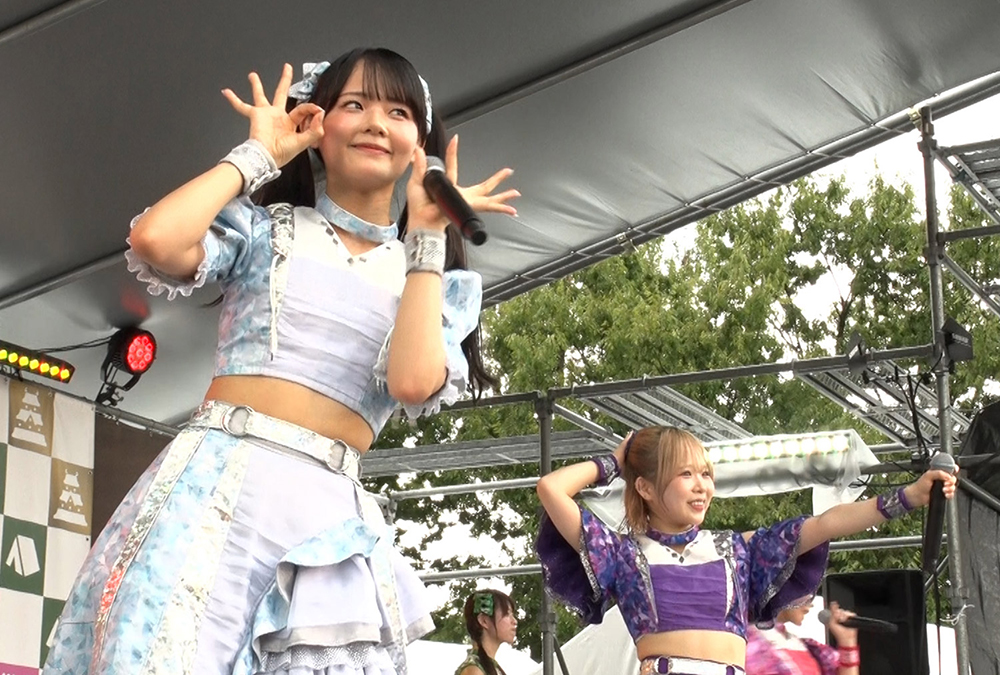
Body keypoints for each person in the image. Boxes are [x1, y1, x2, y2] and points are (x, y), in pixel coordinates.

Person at [43, 47, 518, 675]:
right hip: (214, 491)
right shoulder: (266, 230)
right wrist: (257, 155)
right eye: (355, 104)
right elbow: (155, 239)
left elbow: (411, 382)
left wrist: (427, 238)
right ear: (318, 126)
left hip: (326, 532)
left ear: (420, 148)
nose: (376, 123)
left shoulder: (431, 282)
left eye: (398, 112)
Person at [535, 426, 957, 675]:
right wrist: (614, 462)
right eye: (686, 474)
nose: (702, 486)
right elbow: (551, 489)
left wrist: (909, 497)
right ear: (644, 487)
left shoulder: (737, 550)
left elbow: (826, 523)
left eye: (706, 474)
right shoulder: (623, 555)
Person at [745, 598, 859, 675]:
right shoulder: (749, 644)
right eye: (805, 591)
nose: (811, 603)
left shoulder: (810, 649)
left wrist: (847, 641)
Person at [454, 590, 519, 675]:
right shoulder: (474, 671)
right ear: (484, 621)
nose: (514, 621)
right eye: (507, 614)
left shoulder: (489, 666)